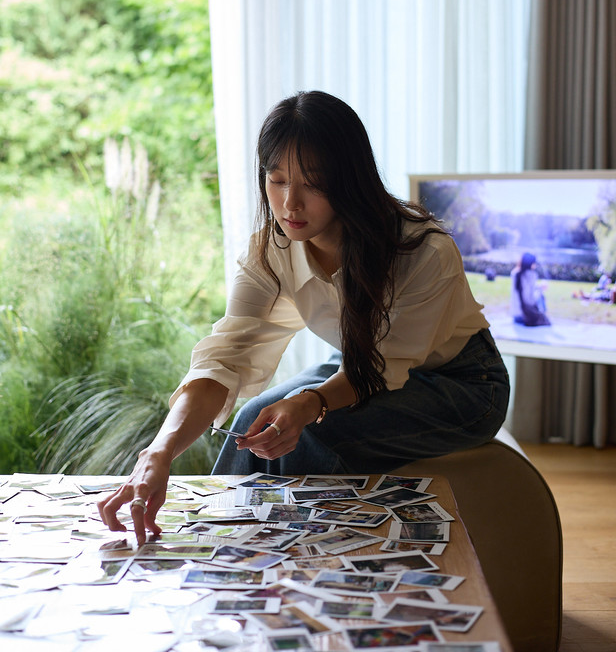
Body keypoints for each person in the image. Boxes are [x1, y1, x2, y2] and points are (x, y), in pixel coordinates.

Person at [98, 91, 510, 545]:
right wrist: (160, 450)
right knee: (255, 418)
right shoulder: (270, 251)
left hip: (463, 383)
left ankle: (301, 562)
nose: (290, 203)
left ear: (350, 180)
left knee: (313, 433)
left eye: (312, 184)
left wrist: (310, 403)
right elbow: (227, 357)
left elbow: (382, 367)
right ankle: (224, 545)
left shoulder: (423, 251)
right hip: (357, 366)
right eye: (277, 180)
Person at [510, 252, 551, 326]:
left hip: (515, 315)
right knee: (541, 296)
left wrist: (538, 287)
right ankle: (542, 314)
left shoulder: (515, 273)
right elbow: (529, 300)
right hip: (525, 316)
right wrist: (540, 291)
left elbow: (524, 290)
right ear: (531, 264)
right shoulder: (530, 275)